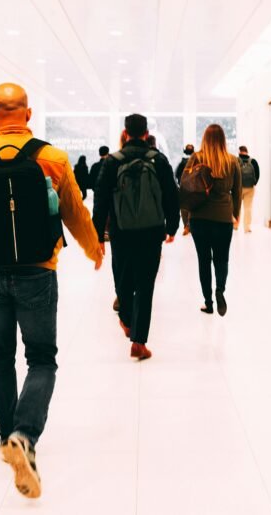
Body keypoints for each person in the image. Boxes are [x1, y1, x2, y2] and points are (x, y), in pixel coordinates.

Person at [0, 83, 103, 501]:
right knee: (42, 358)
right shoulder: (52, 158)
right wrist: (93, 248)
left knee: (0, 353)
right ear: (28, 115)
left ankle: (4, 436)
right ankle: (24, 436)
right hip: (38, 272)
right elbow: (74, 213)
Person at [92, 114, 180, 361]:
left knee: (123, 279)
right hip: (152, 232)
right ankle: (139, 342)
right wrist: (172, 227)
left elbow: (100, 201)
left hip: (121, 232)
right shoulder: (158, 160)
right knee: (145, 285)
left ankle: (126, 319)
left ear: (125, 132)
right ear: (146, 133)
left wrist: (98, 235)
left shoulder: (112, 162)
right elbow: (171, 196)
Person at [187, 124, 241, 316]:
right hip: (223, 218)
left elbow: (186, 188)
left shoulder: (196, 158)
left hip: (199, 218)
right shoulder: (232, 161)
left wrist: (186, 219)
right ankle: (220, 290)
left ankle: (208, 302)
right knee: (221, 258)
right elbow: (237, 192)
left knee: (204, 260)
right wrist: (236, 215)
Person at [237, 146, 260, 233]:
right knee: (248, 208)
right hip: (250, 188)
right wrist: (254, 183)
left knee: (237, 207)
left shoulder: (236, 160)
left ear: (239, 151)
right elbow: (257, 173)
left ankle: (235, 225)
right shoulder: (253, 161)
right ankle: (247, 227)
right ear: (247, 151)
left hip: (238, 188)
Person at [175, 144, 194, 236]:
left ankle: (186, 225)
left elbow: (176, 174)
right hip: (194, 188)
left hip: (183, 187)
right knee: (192, 207)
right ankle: (191, 225)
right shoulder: (196, 161)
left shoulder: (182, 162)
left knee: (183, 208)